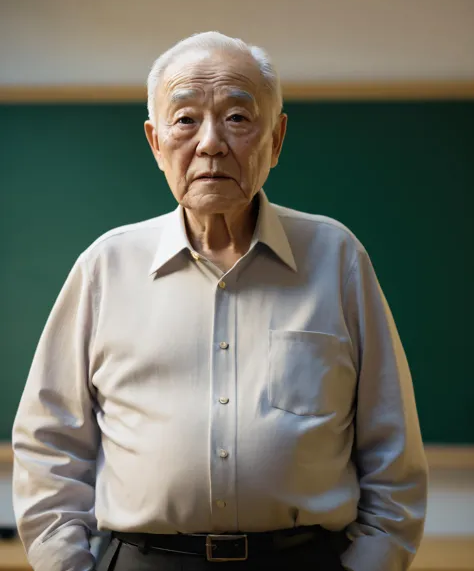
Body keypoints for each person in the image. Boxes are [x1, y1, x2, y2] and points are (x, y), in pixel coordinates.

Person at [12, 31, 427, 571]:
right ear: (155, 142)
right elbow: (49, 449)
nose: (211, 142)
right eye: (185, 119)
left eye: (237, 117)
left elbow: (393, 455)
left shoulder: (337, 257)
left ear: (276, 140)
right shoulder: (105, 267)